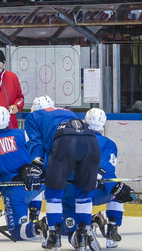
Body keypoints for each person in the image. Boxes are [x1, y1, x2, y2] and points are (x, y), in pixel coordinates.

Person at [25, 96, 100, 250]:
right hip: (91, 142)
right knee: (83, 192)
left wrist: (36, 164)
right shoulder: (68, 112)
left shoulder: (33, 117)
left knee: (54, 191)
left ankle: (54, 236)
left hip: (65, 141)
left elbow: (36, 143)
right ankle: (82, 236)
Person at [69, 109, 134, 249]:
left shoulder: (72, 140)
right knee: (117, 192)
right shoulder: (108, 144)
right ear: (104, 125)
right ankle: (112, 227)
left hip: (72, 196)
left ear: (85, 122)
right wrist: (115, 187)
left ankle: (82, 230)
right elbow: (107, 169)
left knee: (69, 228)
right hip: (99, 194)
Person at [0, 106, 42, 242]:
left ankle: (40, 226)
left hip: (14, 190)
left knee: (17, 232)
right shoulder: (22, 133)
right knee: (36, 187)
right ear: (8, 119)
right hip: (38, 184)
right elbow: (37, 155)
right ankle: (41, 217)